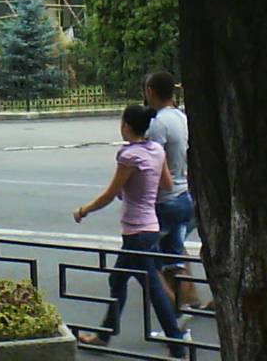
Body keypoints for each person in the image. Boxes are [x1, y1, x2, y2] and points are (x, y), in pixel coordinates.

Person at [73, 104, 187, 359]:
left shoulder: (129, 155)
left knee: (151, 286)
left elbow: (111, 193)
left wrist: (84, 210)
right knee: (119, 279)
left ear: (126, 125)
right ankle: (105, 334)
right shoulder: (156, 150)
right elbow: (166, 184)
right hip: (149, 228)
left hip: (136, 232)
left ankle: (177, 344)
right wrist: (141, 188)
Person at [144, 70, 201, 313]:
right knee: (175, 251)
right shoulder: (181, 117)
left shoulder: (158, 124)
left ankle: (175, 310)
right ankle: (190, 299)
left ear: (150, 91)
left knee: (149, 258)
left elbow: (153, 163)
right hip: (183, 194)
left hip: (165, 199)